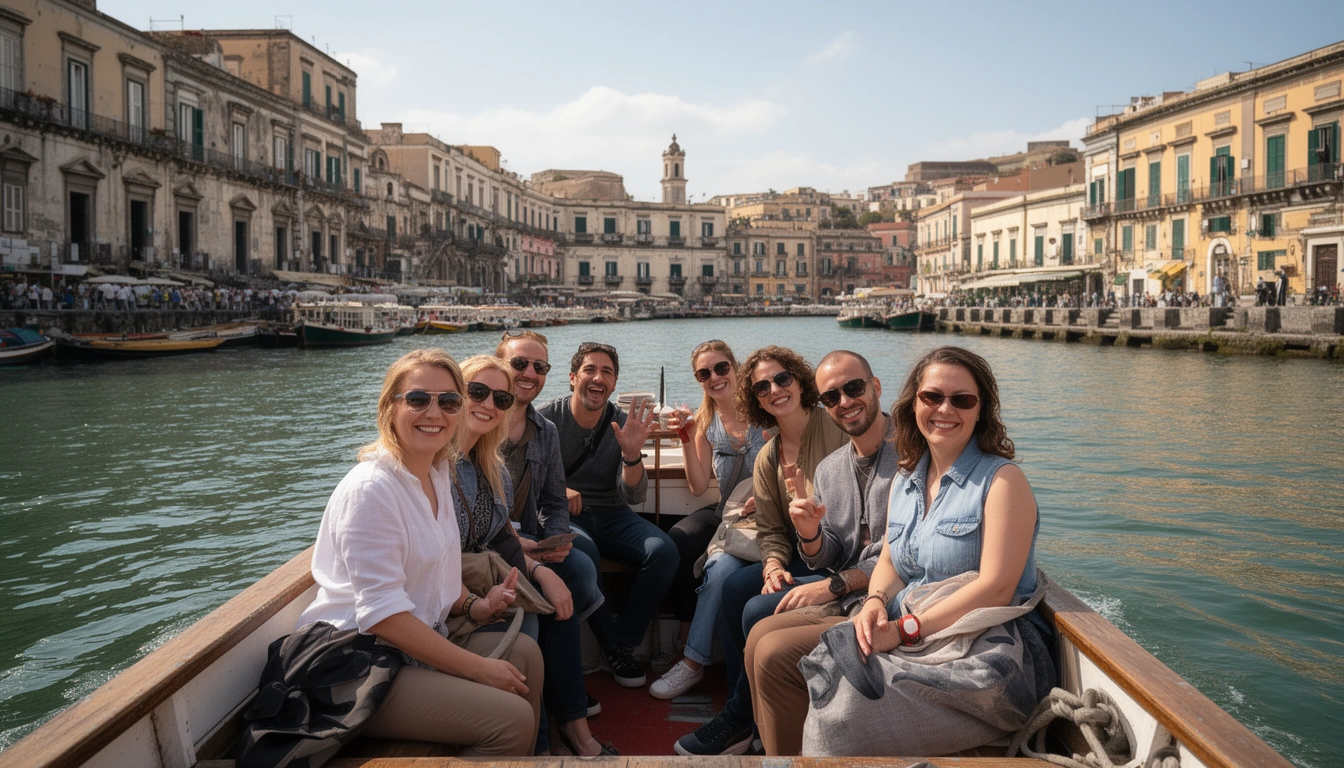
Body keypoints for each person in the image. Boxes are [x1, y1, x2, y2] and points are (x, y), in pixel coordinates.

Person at [296, 348, 542, 756]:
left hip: (413, 644)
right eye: (417, 399)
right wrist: (480, 669)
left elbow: (438, 573)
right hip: (358, 662)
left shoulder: (436, 473)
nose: (434, 412)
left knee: (526, 655)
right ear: (390, 408)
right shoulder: (372, 490)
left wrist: (476, 606)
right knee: (511, 719)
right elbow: (383, 616)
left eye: (448, 402)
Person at [829, 345, 1052, 755]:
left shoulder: (1003, 481)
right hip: (914, 632)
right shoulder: (906, 480)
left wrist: (904, 631)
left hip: (980, 649)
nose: (945, 409)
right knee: (796, 662)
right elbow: (891, 561)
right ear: (914, 404)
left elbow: (997, 588)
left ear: (981, 410)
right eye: (932, 396)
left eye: (962, 400)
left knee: (839, 694)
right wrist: (875, 601)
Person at [674, 346, 847, 756]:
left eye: (782, 379)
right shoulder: (769, 455)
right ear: (754, 398)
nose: (774, 390)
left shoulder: (835, 428)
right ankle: (750, 719)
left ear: (801, 381)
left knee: (755, 608)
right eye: (762, 387)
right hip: (804, 553)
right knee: (735, 586)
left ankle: (741, 715)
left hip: (845, 560)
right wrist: (771, 564)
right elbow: (770, 528)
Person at [742, 350, 899, 755]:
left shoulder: (911, 454)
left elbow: (903, 552)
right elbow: (826, 551)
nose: (844, 402)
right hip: (849, 592)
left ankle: (781, 748)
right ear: (824, 405)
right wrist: (809, 535)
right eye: (832, 397)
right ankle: (771, 743)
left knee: (768, 646)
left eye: (853, 388)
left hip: (888, 595)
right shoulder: (831, 468)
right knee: (757, 632)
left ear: (875, 387)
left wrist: (832, 586)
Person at [494, 332, 614, 756]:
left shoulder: (543, 430)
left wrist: (554, 538)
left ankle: (569, 716)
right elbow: (477, 520)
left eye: (539, 367)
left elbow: (553, 500)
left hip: (527, 544)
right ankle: (555, 731)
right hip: (491, 550)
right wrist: (528, 554)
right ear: (499, 365)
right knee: (550, 603)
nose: (529, 373)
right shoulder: (479, 424)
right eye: (519, 364)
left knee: (577, 568)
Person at [537, 342, 678, 689]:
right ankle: (613, 648)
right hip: (566, 515)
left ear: (614, 383)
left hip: (613, 513)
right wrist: (560, 489)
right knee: (584, 551)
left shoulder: (621, 423)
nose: (598, 378)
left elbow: (634, 495)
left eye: (607, 372)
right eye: (590, 370)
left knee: (664, 551)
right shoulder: (546, 419)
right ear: (573, 377)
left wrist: (631, 455)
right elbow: (529, 483)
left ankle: (623, 642)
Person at [652, 339, 769, 700]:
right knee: (681, 540)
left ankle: (691, 660)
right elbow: (699, 485)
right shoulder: (706, 423)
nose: (715, 377)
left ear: (736, 368)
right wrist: (687, 439)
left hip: (770, 514)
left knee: (718, 568)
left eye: (721, 368)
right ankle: (689, 650)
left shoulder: (767, 410)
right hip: (730, 514)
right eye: (704, 373)